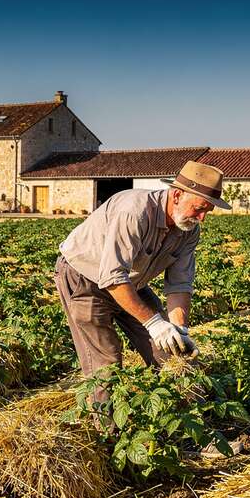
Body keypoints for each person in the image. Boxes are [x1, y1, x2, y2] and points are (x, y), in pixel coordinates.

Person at [53, 161, 229, 397]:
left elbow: (179, 284)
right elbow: (112, 276)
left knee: (171, 350)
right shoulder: (134, 212)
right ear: (177, 195)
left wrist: (179, 329)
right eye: (199, 208)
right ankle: (105, 420)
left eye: (208, 211)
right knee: (106, 363)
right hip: (85, 279)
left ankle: (191, 412)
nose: (202, 217)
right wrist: (154, 324)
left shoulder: (188, 231)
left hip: (129, 282)